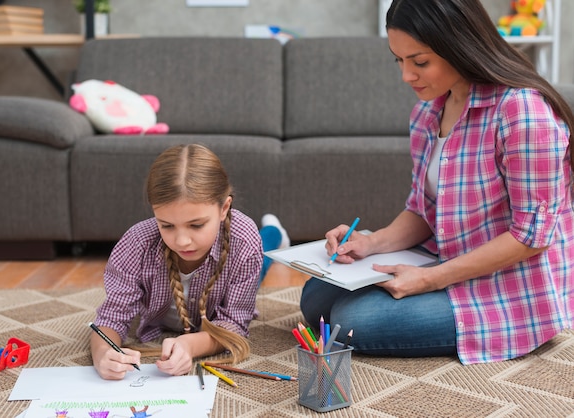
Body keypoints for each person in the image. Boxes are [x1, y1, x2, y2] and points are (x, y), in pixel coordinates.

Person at [300, 0, 573, 365]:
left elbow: (531, 238)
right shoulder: (428, 113)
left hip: (509, 284)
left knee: (351, 321)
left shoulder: (522, 112)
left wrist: (429, 280)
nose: (406, 76)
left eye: (419, 62)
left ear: (458, 46)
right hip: (446, 255)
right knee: (315, 298)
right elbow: (423, 210)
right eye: (399, 60)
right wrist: (371, 243)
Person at [91, 144, 289, 379]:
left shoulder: (243, 240)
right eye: (166, 225)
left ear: (224, 208)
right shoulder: (137, 242)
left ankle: (274, 232)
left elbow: (235, 323)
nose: (182, 241)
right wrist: (103, 353)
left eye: (196, 225)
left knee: (263, 257)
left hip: (240, 250)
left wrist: (191, 345)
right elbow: (111, 317)